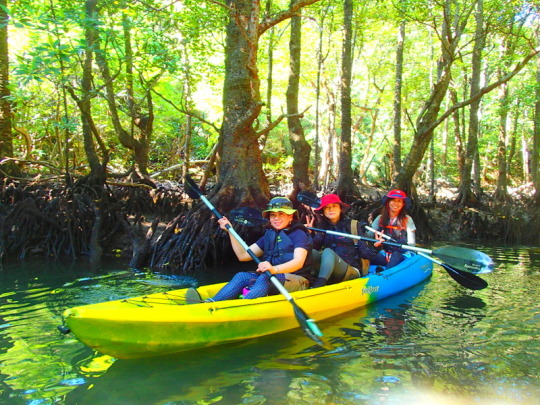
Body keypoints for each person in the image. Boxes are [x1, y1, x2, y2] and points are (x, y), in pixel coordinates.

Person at [207, 197, 313, 302]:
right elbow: (243, 255)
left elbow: (298, 262)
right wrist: (230, 231)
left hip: (298, 280)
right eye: (273, 215)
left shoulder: (299, 234)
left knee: (265, 277)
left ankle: (242, 307)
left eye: (281, 214)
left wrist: (273, 269)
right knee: (241, 276)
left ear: (291, 217)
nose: (276, 218)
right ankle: (211, 302)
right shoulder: (269, 235)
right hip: (271, 276)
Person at [306, 194, 372, 288]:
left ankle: (318, 285)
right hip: (330, 271)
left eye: (334, 206)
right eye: (327, 207)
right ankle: (308, 279)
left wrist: (376, 246)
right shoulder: (323, 228)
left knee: (328, 252)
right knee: (310, 252)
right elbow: (313, 248)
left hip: (351, 271)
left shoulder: (353, 225)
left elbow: (365, 253)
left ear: (340, 208)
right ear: (323, 211)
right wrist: (309, 234)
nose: (331, 209)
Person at [368, 189, 416, 269]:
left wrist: (404, 246)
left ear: (403, 204)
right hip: (384, 254)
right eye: (393, 200)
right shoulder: (380, 218)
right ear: (388, 202)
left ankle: (384, 273)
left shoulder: (407, 219)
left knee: (396, 255)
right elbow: (368, 235)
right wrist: (376, 242)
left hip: (401, 255)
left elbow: (412, 243)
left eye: (399, 201)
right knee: (368, 255)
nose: (396, 204)